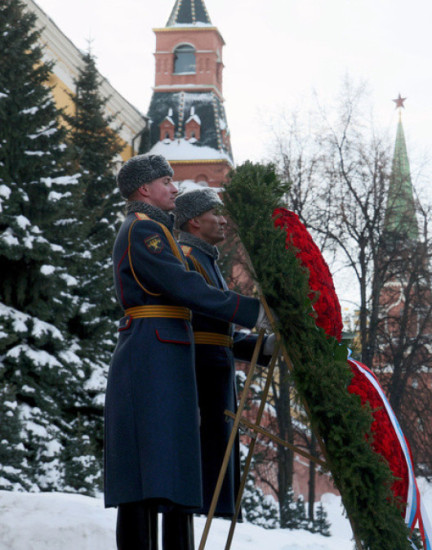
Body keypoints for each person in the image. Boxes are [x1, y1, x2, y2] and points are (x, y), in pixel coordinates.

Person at [105, 154, 270, 550]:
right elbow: (183, 287)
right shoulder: (143, 231)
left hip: (164, 350)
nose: (175, 188)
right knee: (146, 473)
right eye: (166, 181)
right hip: (152, 351)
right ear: (145, 189)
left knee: (170, 471)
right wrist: (254, 312)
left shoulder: (154, 231)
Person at [173, 185, 275, 522]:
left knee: (223, 452)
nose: (223, 221)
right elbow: (206, 324)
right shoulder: (186, 258)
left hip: (216, 368)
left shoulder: (205, 259)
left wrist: (265, 348)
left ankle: (222, 517)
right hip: (202, 372)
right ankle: (213, 519)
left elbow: (222, 333)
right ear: (193, 222)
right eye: (214, 214)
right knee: (212, 453)